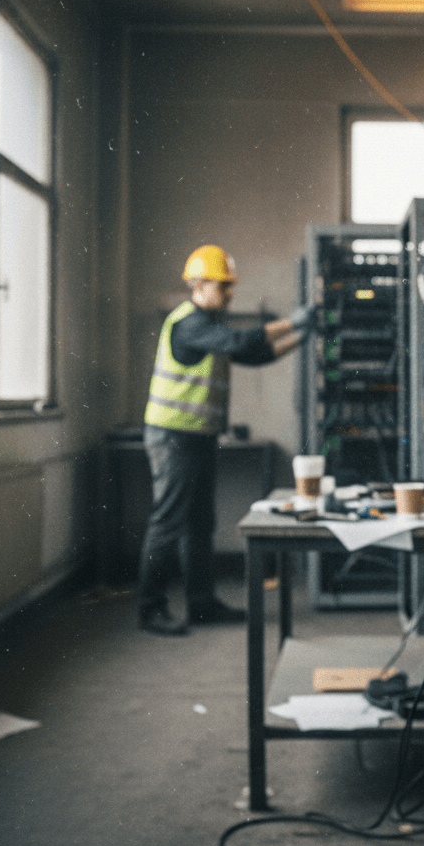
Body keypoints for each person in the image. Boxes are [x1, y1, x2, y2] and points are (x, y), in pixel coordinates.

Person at [138, 244, 313, 635]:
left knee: (200, 524)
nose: (230, 293)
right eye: (223, 285)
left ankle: (201, 605)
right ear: (199, 285)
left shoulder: (209, 328)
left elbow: (255, 354)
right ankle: (150, 610)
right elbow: (238, 343)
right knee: (168, 522)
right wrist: (291, 321)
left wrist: (301, 335)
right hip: (174, 437)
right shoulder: (189, 323)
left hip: (197, 437)